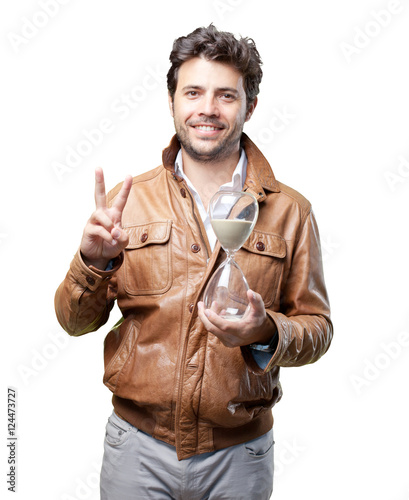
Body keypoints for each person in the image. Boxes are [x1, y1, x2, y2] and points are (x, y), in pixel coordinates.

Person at [55, 24, 333, 500]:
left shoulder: (290, 211)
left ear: (251, 106)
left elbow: (318, 329)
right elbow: (73, 323)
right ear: (172, 102)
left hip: (240, 455)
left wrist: (265, 334)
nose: (208, 108)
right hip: (136, 450)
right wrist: (92, 262)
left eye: (227, 95)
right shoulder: (130, 203)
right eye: (194, 92)